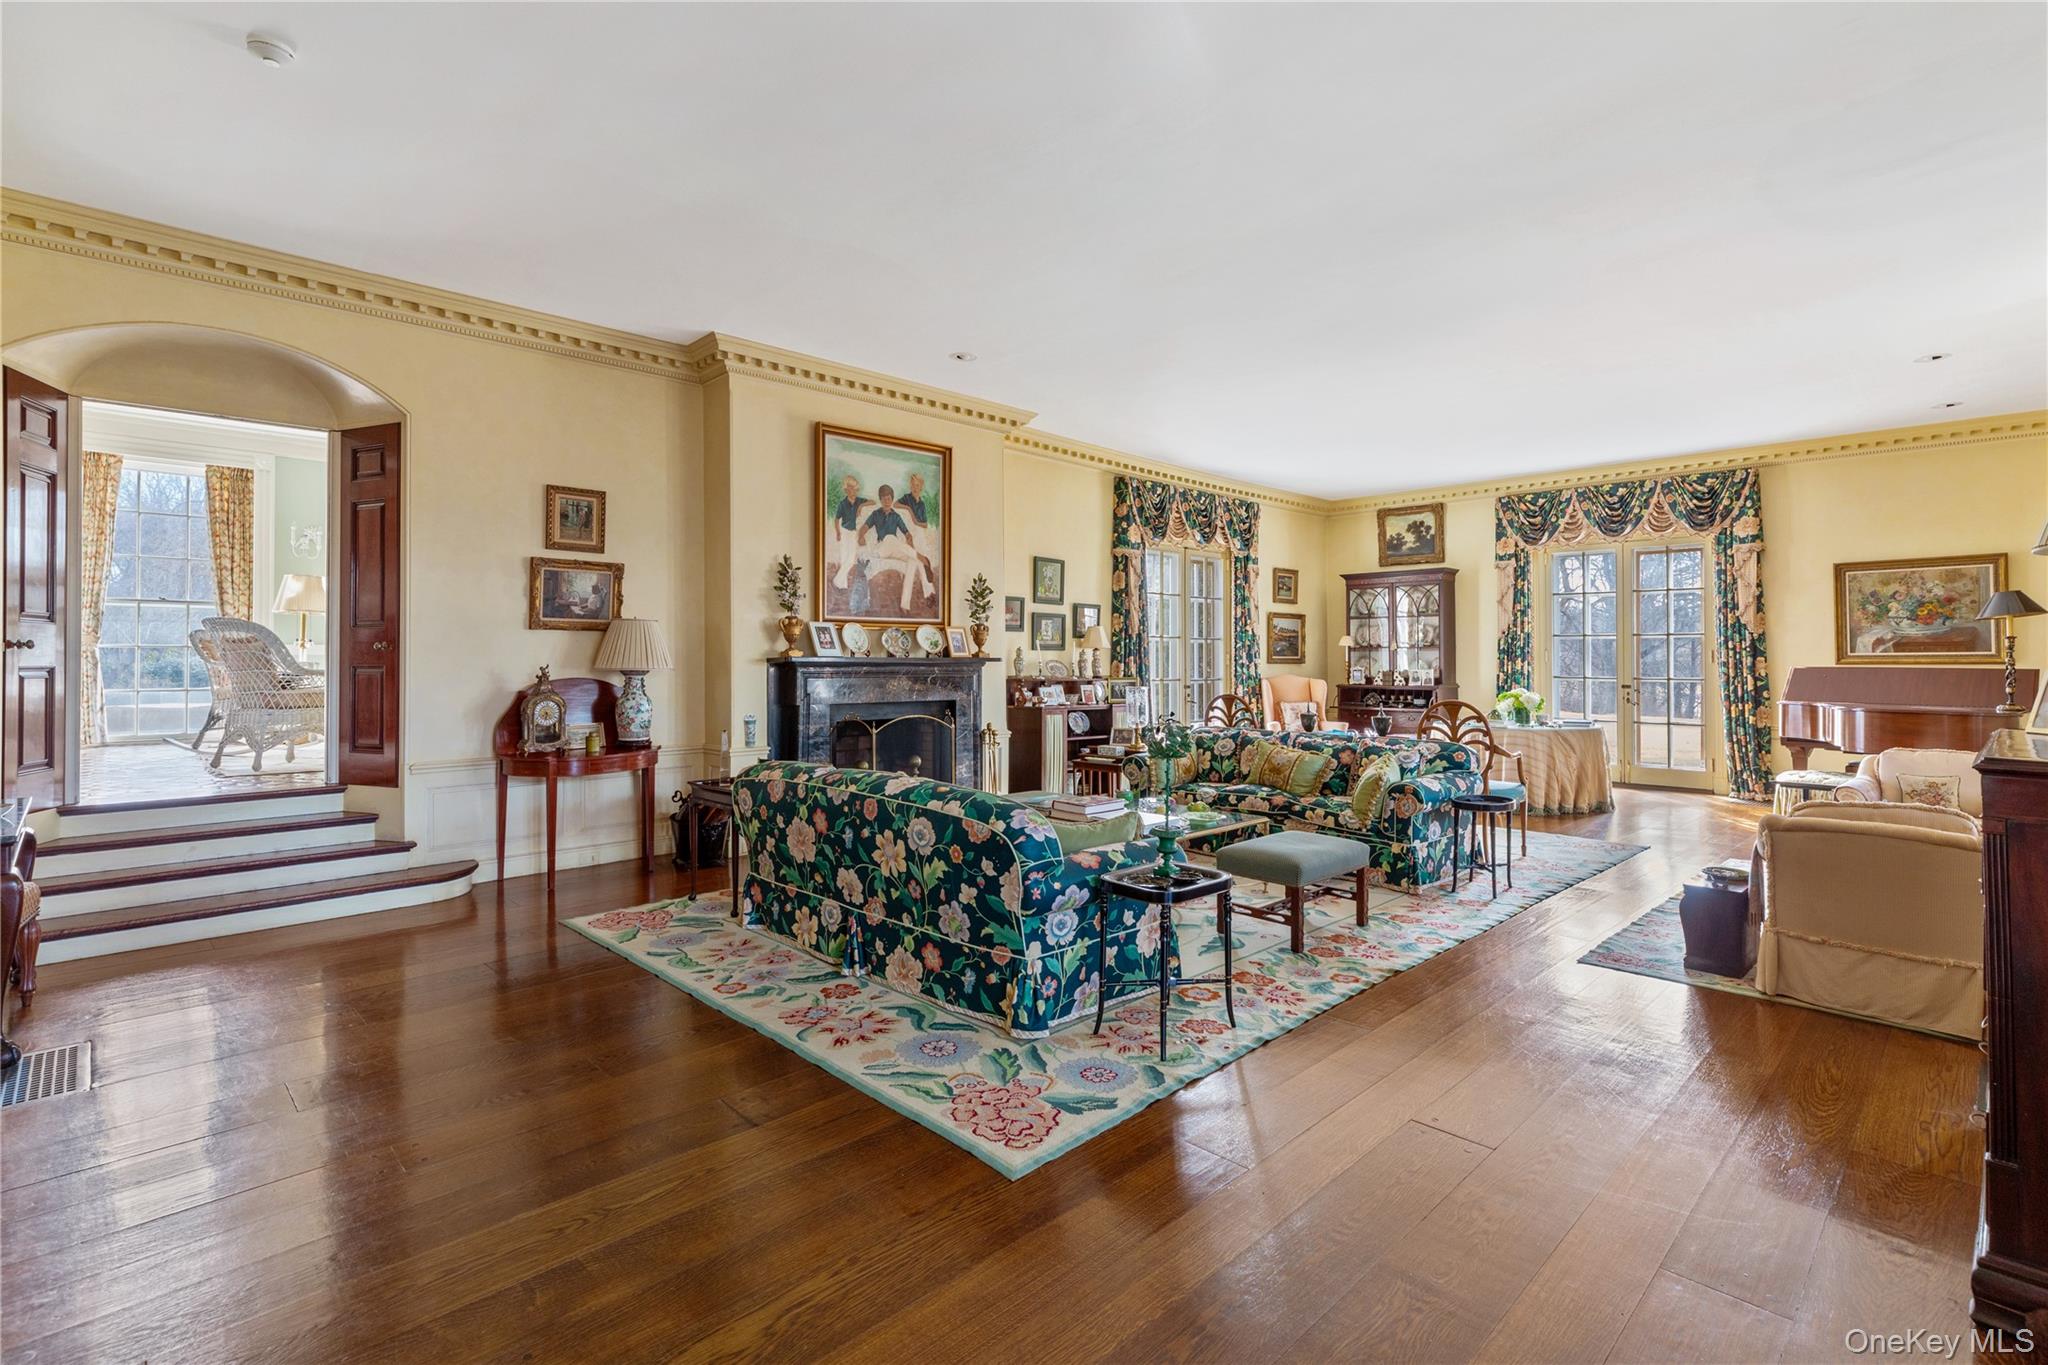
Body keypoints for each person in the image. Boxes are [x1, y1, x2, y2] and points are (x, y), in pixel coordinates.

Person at [854, 484, 934, 611]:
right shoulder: (876, 514)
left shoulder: (896, 516)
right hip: (882, 548)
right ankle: (921, 557)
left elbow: (907, 534)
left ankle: (909, 603)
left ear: (892, 499)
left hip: (896, 549)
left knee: (913, 561)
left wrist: (910, 541)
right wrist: (861, 536)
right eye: (884, 499)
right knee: (890, 538)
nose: (887, 501)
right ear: (880, 499)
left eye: (889, 498)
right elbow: (864, 527)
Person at [828, 473, 871, 593]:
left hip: (853, 533)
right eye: (850, 488)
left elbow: (873, 502)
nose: (853, 490)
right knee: (844, 558)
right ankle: (842, 586)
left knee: (851, 559)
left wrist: (861, 506)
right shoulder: (842, 504)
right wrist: (837, 532)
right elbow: (836, 519)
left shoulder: (858, 501)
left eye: (855, 488)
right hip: (844, 532)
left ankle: (836, 581)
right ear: (846, 490)